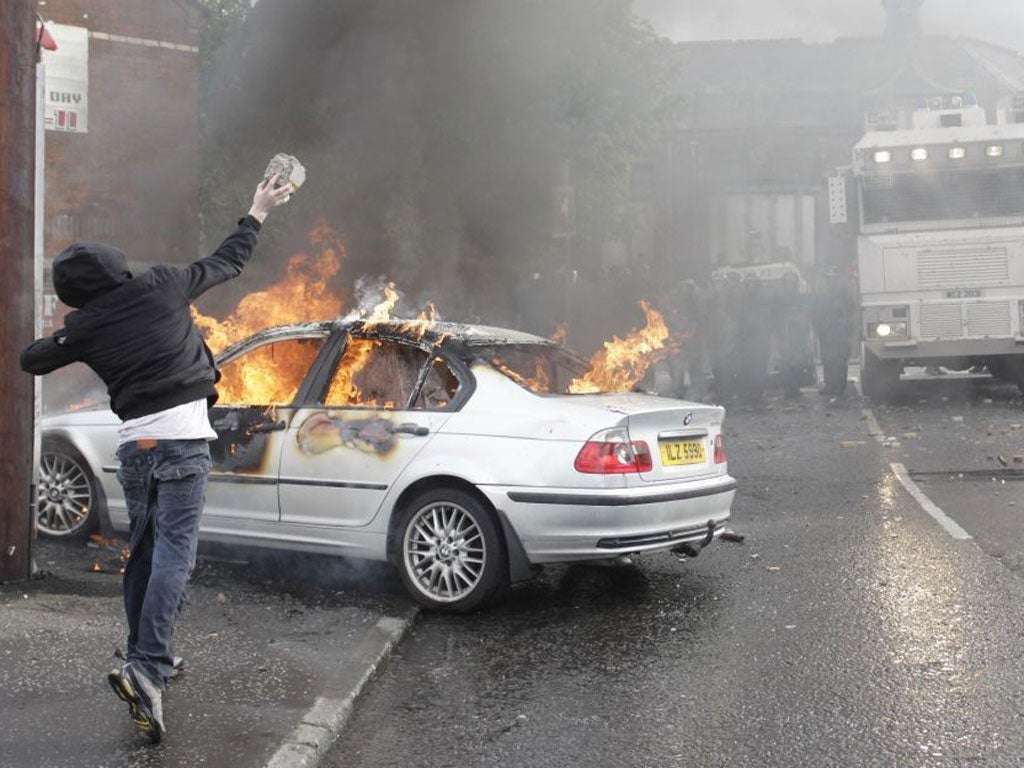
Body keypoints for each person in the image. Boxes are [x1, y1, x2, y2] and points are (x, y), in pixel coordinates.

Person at [20, 173, 292, 743]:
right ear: (119, 266)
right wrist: (257, 210)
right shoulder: (165, 285)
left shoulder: (85, 325)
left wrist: (68, 337)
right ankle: (147, 668)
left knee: (143, 554)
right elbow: (228, 261)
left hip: (136, 451)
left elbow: (34, 360)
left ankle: (149, 654)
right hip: (184, 443)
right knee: (174, 554)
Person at [812, 266, 857, 396]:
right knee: (827, 359)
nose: (831, 282)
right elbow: (815, 314)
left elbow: (851, 312)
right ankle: (830, 385)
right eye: (829, 279)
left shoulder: (845, 295)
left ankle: (839, 386)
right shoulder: (821, 297)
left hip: (841, 333)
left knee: (840, 360)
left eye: (834, 279)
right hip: (826, 333)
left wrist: (847, 328)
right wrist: (820, 329)